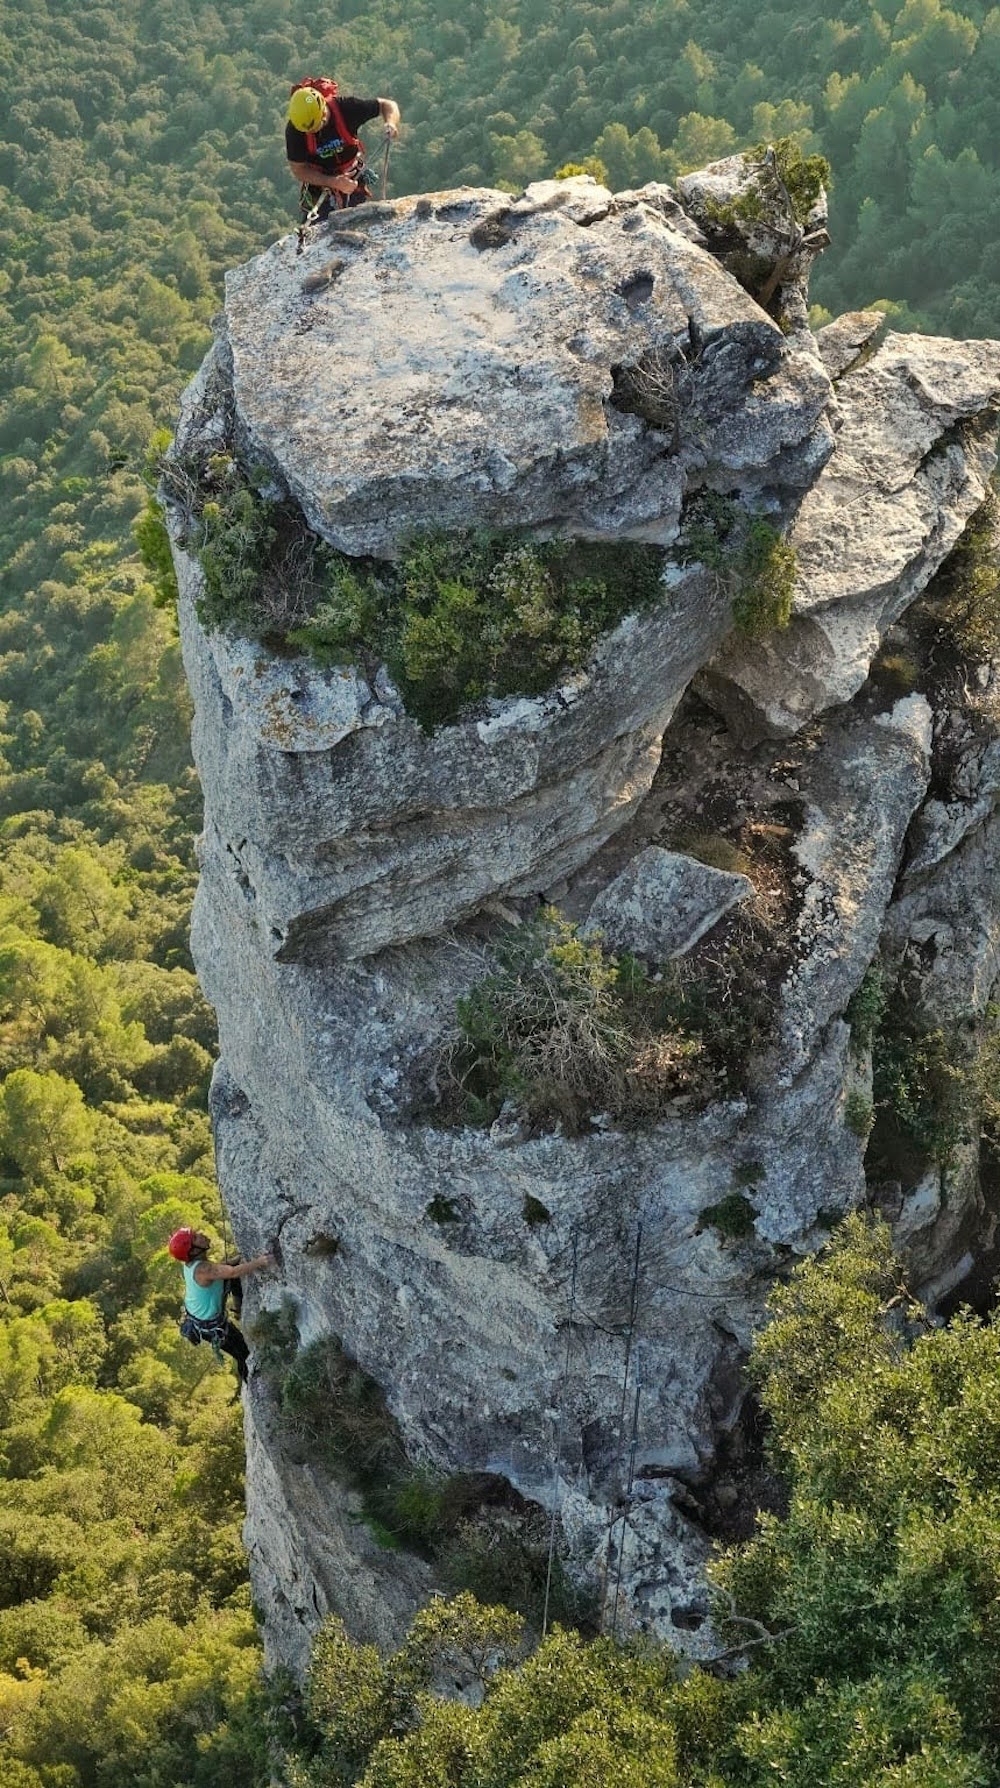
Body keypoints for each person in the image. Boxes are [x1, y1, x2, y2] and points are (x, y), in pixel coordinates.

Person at [168, 1226, 274, 1387]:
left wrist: (234, 1261)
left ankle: (239, 1308)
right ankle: (252, 1384)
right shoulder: (203, 1270)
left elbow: (219, 1270)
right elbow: (231, 1273)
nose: (201, 1235)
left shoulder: (193, 1264)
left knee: (232, 1275)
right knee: (243, 1353)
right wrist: (259, 1262)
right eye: (196, 1238)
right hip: (211, 1327)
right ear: (193, 1250)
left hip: (198, 1316)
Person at [285, 79, 401, 215]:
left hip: (354, 179)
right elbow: (299, 170)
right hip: (319, 185)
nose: (312, 133)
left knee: (357, 220)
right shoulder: (295, 130)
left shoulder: (346, 109)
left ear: (323, 113)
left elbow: (387, 105)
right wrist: (333, 182)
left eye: (315, 128)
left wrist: (390, 123)